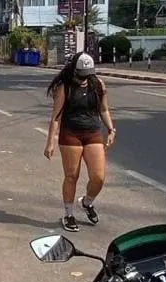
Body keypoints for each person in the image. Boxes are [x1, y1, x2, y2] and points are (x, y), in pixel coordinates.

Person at [44, 52, 116, 233]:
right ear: (74, 70)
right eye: (82, 74)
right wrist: (50, 143)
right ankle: (68, 214)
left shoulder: (98, 84)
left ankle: (87, 202)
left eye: (88, 74)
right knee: (71, 176)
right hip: (70, 135)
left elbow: (104, 109)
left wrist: (110, 129)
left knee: (98, 177)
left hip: (92, 133)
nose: (85, 78)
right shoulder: (65, 87)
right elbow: (55, 118)